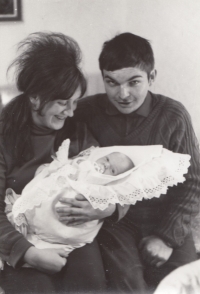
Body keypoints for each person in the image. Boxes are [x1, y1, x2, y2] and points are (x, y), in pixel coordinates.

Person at [65, 32, 200, 293]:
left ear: (152, 77)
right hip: (115, 223)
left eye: (134, 82)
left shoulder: (173, 115)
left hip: (165, 214)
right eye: (112, 82)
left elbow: (193, 183)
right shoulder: (85, 112)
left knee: (185, 283)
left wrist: (166, 238)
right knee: (129, 285)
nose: (123, 94)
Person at [0, 31, 113, 294]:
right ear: (35, 97)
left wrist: (108, 208)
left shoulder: (76, 130)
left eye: (74, 102)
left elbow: (114, 178)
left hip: (70, 233)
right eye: (63, 103)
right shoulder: (4, 135)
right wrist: (27, 253)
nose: (71, 112)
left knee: (91, 285)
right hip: (20, 237)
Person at [4, 140, 190, 265]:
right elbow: (68, 166)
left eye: (113, 170)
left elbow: (118, 194)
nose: (106, 165)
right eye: (107, 159)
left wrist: (108, 206)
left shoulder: (106, 185)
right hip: (56, 202)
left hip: (88, 219)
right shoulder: (85, 159)